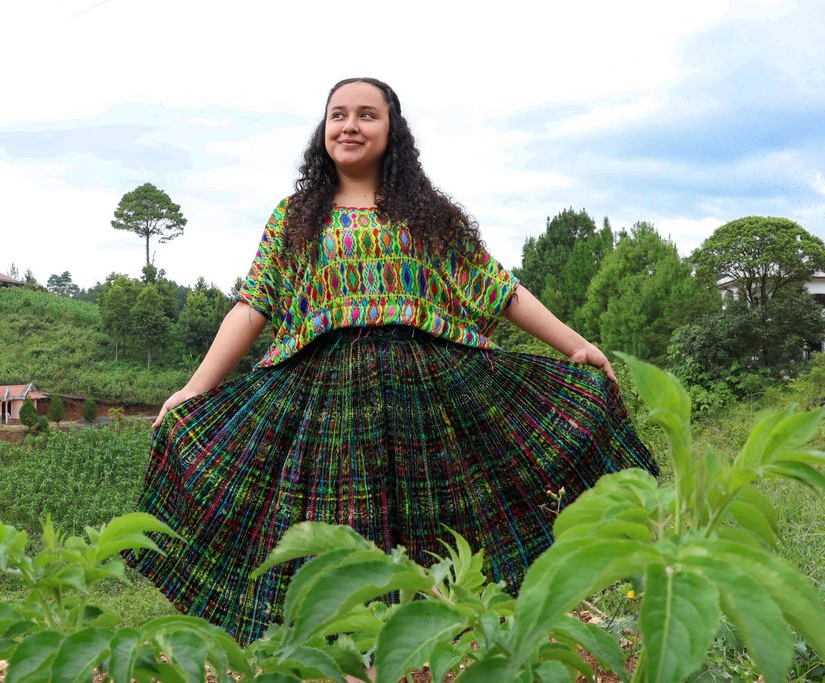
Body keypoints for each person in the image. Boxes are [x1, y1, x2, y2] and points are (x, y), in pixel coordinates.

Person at [123, 77, 657, 647]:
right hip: (327, 399)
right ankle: (341, 649)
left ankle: (445, 643)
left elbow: (498, 289)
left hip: (427, 392)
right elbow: (254, 305)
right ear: (323, 129)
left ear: (392, 130)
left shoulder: (429, 216)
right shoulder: (296, 217)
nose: (349, 125)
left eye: (366, 115)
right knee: (340, 528)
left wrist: (574, 345)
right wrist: (195, 388)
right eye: (337, 115)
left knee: (442, 526)